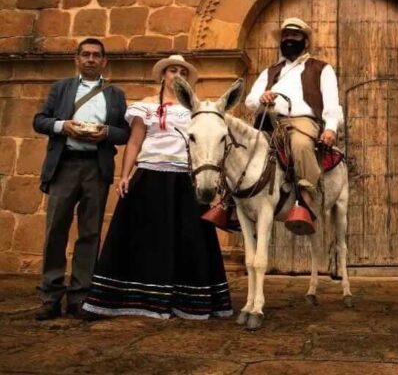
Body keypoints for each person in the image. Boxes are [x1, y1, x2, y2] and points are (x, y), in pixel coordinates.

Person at [82, 55, 232, 320]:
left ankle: (185, 300)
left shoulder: (196, 108)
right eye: (172, 70)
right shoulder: (146, 107)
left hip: (185, 178)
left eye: (182, 71)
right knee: (146, 238)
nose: (176, 74)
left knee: (189, 239)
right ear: (163, 75)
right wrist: (125, 175)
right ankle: (140, 298)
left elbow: (207, 142)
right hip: (150, 175)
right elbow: (135, 143)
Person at [32, 38, 130, 320]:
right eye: (85, 54)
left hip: (96, 169)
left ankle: (80, 296)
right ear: (77, 59)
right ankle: (50, 296)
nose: (90, 59)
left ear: (104, 61)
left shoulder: (115, 94)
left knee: (90, 233)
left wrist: (106, 133)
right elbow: (39, 121)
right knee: (55, 231)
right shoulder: (61, 88)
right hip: (65, 166)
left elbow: (124, 132)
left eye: (96, 55)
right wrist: (64, 126)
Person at [245, 17, 343, 236]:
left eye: (295, 36)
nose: (289, 40)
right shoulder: (269, 72)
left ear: (305, 42)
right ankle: (231, 204)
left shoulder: (321, 69)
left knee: (300, 144)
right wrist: (262, 97)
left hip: (302, 121)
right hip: (269, 122)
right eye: (286, 36)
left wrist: (331, 128)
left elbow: (331, 102)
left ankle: (306, 202)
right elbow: (250, 101)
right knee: (243, 148)